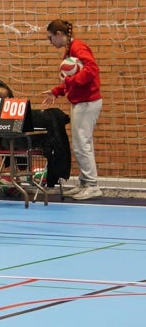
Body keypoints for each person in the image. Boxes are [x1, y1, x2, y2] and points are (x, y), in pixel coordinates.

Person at [42, 18, 102, 200]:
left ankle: (91, 185)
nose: (50, 42)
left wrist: (69, 81)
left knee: (81, 144)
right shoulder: (70, 49)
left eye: (50, 37)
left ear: (59, 34)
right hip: (82, 102)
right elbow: (72, 80)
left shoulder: (78, 47)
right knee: (83, 144)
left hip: (87, 102)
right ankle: (85, 183)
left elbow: (92, 70)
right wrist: (56, 91)